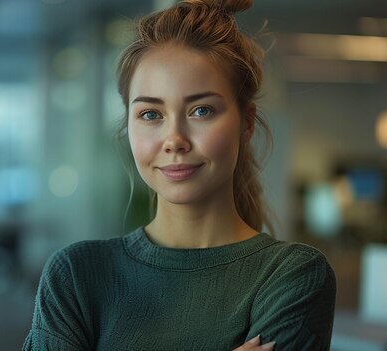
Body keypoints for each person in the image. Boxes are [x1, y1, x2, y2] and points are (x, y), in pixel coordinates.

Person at [23, 0, 336, 349]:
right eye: (151, 115)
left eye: (201, 110)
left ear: (246, 122)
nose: (174, 140)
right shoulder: (76, 274)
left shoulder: (291, 276)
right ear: (128, 125)